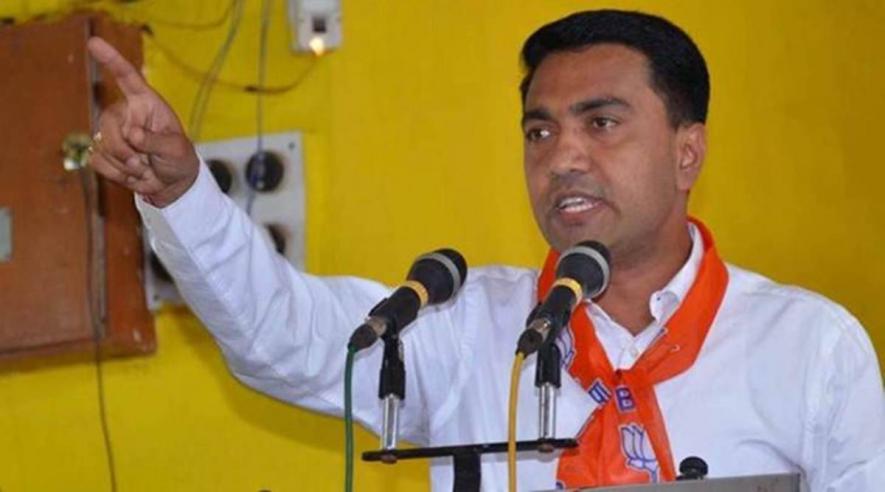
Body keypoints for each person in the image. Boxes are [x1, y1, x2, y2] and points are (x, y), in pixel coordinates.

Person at [86, 9, 883, 491]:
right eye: (539, 131)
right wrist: (181, 193)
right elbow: (281, 333)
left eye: (601, 122)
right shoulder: (464, 327)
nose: (561, 156)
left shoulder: (808, 347)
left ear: (686, 153)